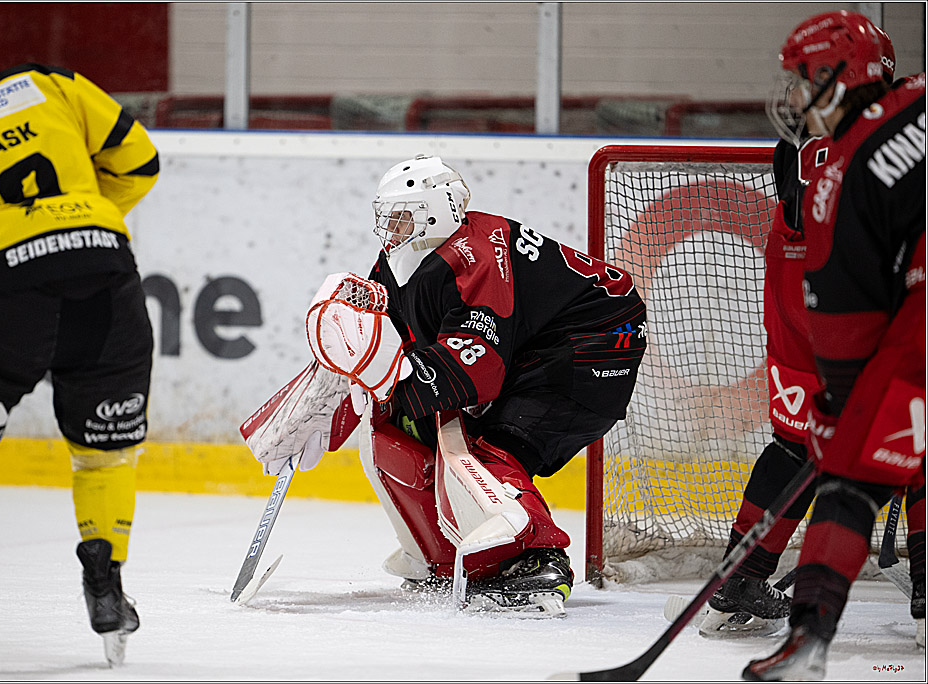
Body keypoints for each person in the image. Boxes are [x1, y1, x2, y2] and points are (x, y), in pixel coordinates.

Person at [251, 154, 647, 617]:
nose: (390, 228)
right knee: (394, 426)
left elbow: (474, 372)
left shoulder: (476, 259)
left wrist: (384, 383)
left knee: (485, 451)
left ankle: (538, 560)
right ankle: (436, 551)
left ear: (437, 211)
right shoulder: (405, 255)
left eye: (402, 216)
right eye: (387, 217)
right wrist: (330, 399)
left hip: (593, 345)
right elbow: (382, 336)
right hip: (537, 345)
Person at [0, 11, 159, 670]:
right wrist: (76, 221)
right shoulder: (50, 82)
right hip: (107, 270)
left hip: (7, 292)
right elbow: (139, 160)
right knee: (105, 451)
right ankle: (107, 591)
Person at [700, 20, 924, 640]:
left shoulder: (805, 135)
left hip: (796, 290)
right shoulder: (904, 119)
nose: (796, 92)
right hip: (857, 289)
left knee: (797, 441)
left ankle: (741, 578)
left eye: (805, 76)